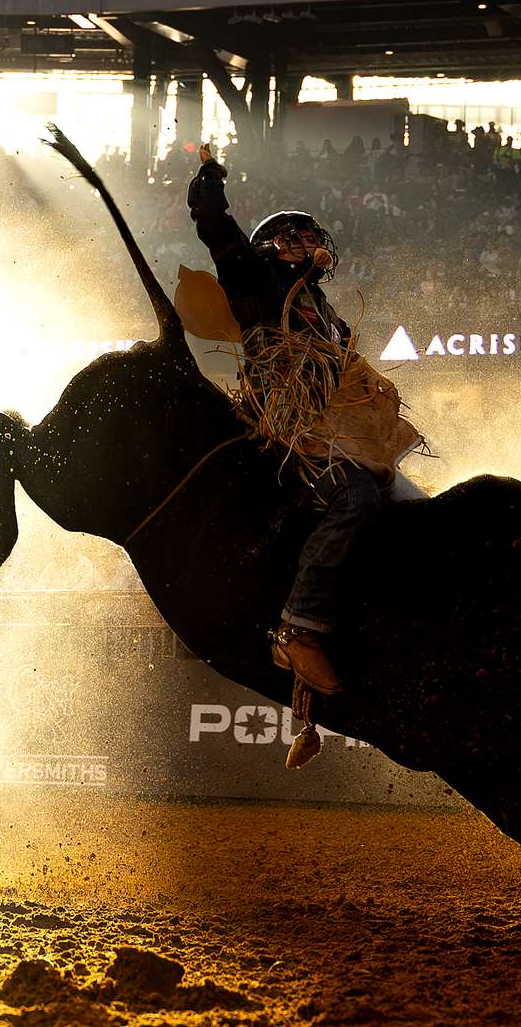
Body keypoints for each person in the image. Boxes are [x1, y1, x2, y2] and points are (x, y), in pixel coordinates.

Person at [187, 144, 410, 767]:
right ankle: (301, 627)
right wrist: (210, 178)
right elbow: (212, 223)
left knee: (404, 500)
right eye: (301, 236)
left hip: (336, 432)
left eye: (315, 236)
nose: (314, 244)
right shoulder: (254, 280)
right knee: (355, 498)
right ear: (275, 246)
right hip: (286, 430)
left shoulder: (329, 314)